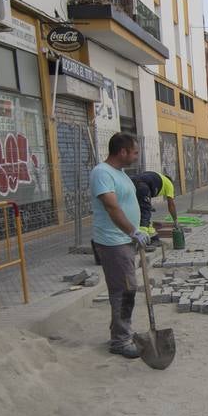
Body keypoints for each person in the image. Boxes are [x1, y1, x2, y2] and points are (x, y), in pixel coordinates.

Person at [91, 132, 150, 358]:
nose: (136, 156)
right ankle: (120, 341)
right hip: (114, 242)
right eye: (134, 152)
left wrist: (138, 230)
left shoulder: (120, 173)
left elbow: (126, 204)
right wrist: (132, 231)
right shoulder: (102, 173)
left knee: (127, 289)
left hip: (125, 240)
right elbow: (112, 207)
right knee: (125, 291)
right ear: (122, 151)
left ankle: (120, 332)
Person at [130, 170, 178, 244]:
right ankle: (142, 241)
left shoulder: (156, 177)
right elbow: (171, 204)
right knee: (145, 214)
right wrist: (175, 221)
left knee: (137, 210)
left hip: (130, 182)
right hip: (141, 186)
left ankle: (153, 237)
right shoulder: (169, 184)